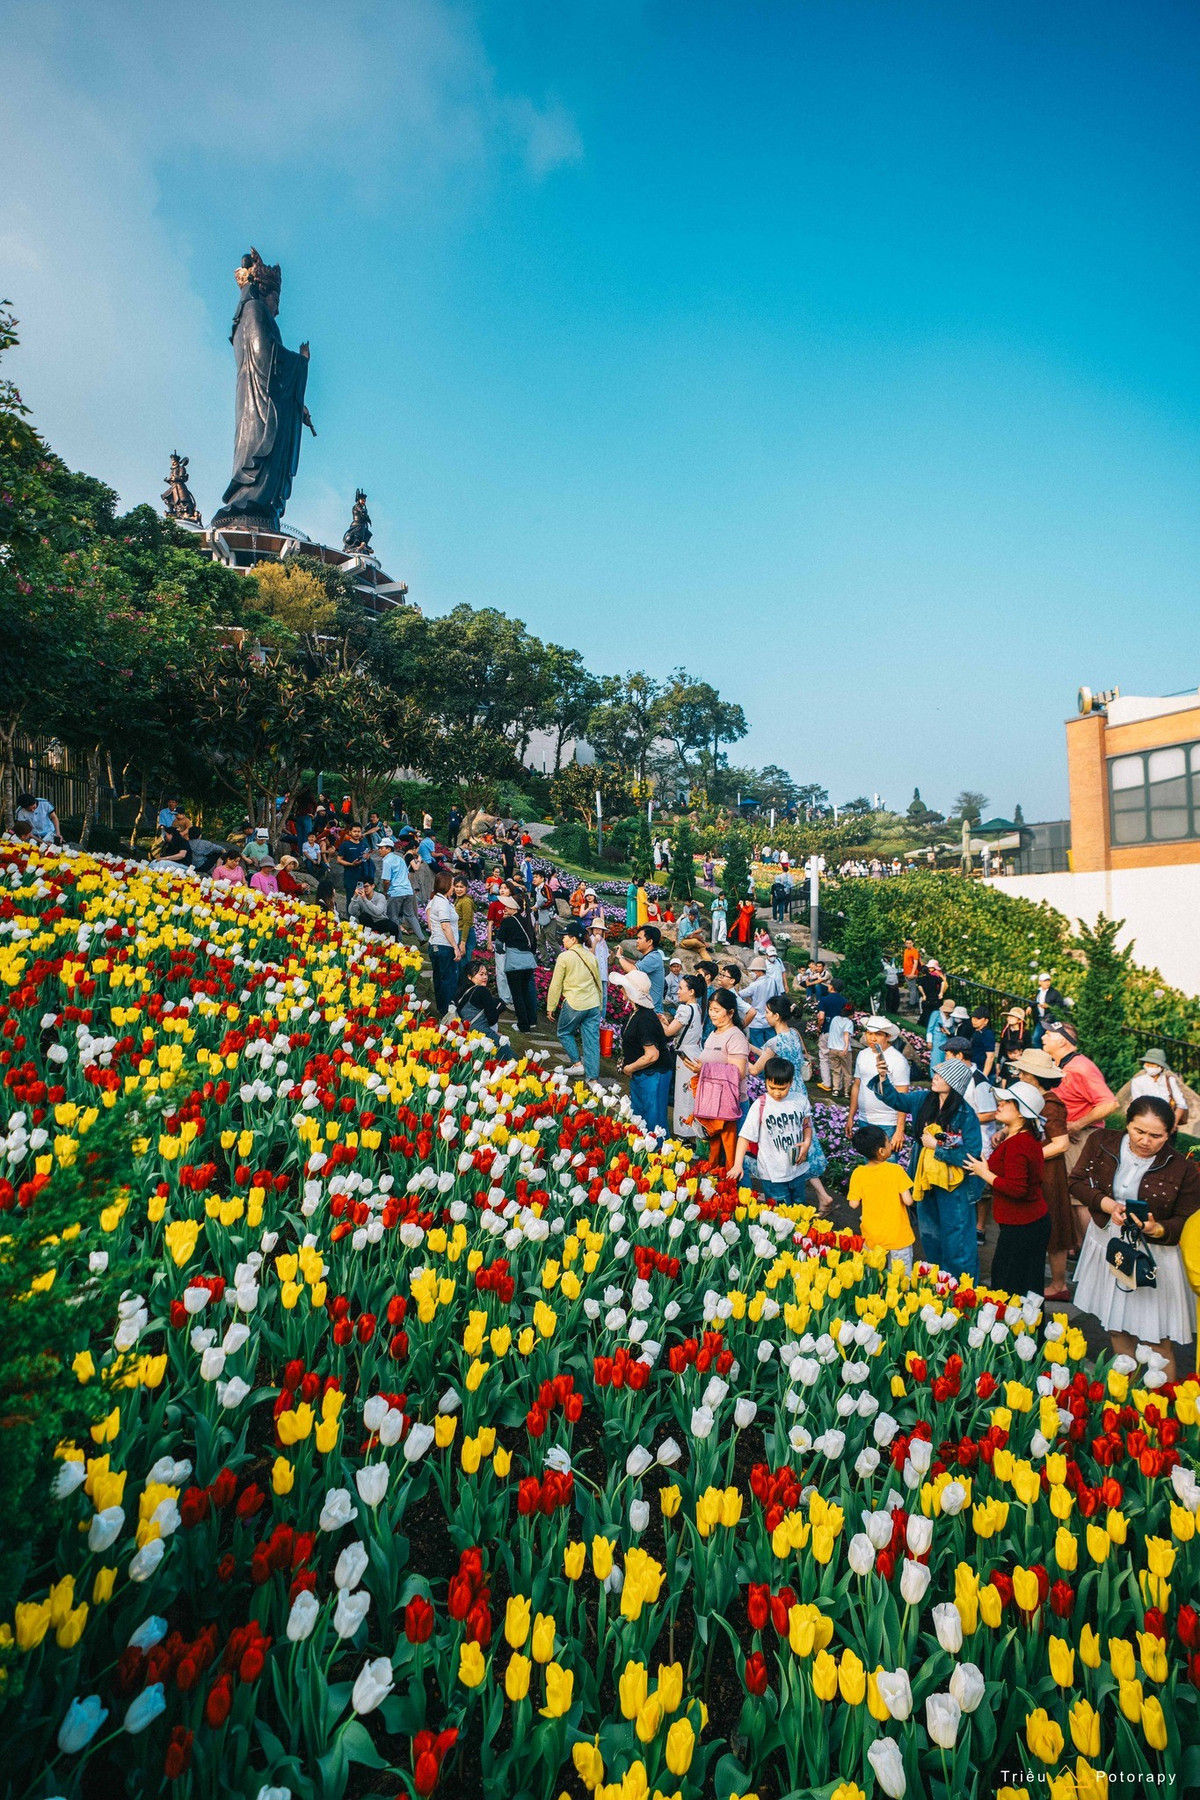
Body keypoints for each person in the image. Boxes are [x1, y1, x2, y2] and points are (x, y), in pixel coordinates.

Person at [1070, 1095, 1200, 1381]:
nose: (1145, 1141)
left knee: (1155, 1338)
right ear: (1127, 1123)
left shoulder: (1183, 1168)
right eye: (1138, 1131)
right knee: (1116, 1327)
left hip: (1153, 1256)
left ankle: (1162, 1401)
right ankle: (1126, 1395)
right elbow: (1076, 1182)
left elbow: (1187, 1219)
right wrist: (1106, 1204)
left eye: (1156, 1136)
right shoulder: (1101, 1142)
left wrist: (1158, 1229)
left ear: (1169, 1133)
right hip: (1109, 1244)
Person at [869, 1052, 983, 1279]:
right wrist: (883, 1077)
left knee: (958, 1242)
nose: (935, 1077)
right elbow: (896, 1100)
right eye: (936, 1073)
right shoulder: (923, 1099)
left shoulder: (966, 1114)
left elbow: (971, 1155)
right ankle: (937, 1286)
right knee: (931, 1237)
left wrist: (937, 1148)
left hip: (955, 1186)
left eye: (941, 1075)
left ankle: (962, 1291)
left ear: (953, 1083)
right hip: (924, 1179)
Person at [964, 1081, 1049, 1298]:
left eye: (1008, 1102)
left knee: (1011, 1287)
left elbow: (1017, 1188)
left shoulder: (1019, 1143)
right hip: (1024, 1222)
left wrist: (984, 1173)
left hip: (1023, 1225)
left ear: (1022, 1113)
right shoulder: (1017, 1137)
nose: (999, 1104)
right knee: (1023, 1286)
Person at [1008, 1048, 1072, 1300]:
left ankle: (1058, 1284)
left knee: (1054, 1224)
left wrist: (1029, 1157)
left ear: (1035, 1077)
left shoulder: (1051, 1105)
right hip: (1040, 1170)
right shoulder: (1037, 1101)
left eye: (1024, 1073)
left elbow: (1061, 1143)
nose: (1020, 1076)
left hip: (1049, 1173)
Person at [1041, 1022, 1117, 1200]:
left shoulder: (1081, 1067)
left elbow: (1110, 1104)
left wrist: (1077, 1125)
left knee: (1078, 1196)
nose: (1043, 1037)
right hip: (1064, 1136)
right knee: (1063, 1195)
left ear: (1062, 1041)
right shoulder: (1060, 1065)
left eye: (1048, 1034)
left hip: (1080, 1139)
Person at [730, 1057, 814, 1202]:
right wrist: (738, 1164)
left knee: (800, 1210)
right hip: (772, 1175)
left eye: (782, 1089)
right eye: (772, 1087)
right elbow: (744, 1137)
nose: (777, 1093)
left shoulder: (799, 1100)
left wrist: (807, 1143)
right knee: (778, 1212)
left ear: (790, 1082)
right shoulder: (760, 1105)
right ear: (766, 1081)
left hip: (797, 1170)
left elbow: (806, 1125)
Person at [694, 988, 751, 1166]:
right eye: (710, 1009)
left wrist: (705, 1069)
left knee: (734, 1158)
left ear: (731, 1012)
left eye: (717, 1010)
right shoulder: (714, 1033)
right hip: (714, 1102)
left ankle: (740, 1184)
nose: (712, 1014)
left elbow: (738, 1072)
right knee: (718, 1155)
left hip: (732, 1104)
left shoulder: (735, 1037)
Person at [847, 1125, 916, 1273]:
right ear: (881, 1151)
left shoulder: (858, 1173)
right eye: (888, 1142)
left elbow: (853, 1204)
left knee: (872, 1275)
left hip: (872, 1237)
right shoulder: (896, 1170)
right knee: (900, 1278)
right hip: (898, 1236)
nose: (891, 1144)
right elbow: (908, 1201)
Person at [612, 968, 671, 1133]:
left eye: (623, 987)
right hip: (643, 1073)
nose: (620, 989)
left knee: (652, 1119)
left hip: (653, 1073)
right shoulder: (637, 1013)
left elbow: (652, 1055)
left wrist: (630, 1068)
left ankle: (656, 1147)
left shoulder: (644, 1018)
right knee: (641, 1116)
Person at [846, 1017, 911, 1160]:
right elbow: (857, 1086)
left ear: (888, 1036)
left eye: (878, 1034)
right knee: (868, 1164)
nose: (872, 1038)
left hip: (887, 1123)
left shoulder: (897, 1060)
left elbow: (903, 1097)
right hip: (864, 1120)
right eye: (869, 1033)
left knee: (887, 1166)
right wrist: (851, 1117)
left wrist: (900, 1130)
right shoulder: (863, 1055)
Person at [546, 919, 603, 1079]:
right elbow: (598, 982)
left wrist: (551, 1007)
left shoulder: (565, 957)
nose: (562, 939)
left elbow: (556, 984)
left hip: (574, 1003)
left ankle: (577, 1065)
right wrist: (600, 1005)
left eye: (565, 936)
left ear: (573, 939)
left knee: (564, 1032)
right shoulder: (591, 956)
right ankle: (592, 1078)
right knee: (592, 1042)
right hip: (593, 1003)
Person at [664, 972, 707, 1139]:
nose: (678, 991)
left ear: (691, 991)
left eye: (681, 988)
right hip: (695, 1053)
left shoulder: (684, 1009)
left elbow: (669, 1032)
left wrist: (659, 1021)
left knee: (684, 1097)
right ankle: (693, 1133)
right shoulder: (698, 1008)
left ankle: (684, 1134)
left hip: (685, 1057)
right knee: (690, 1095)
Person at [494, 895, 539, 1033]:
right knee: (525, 992)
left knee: (517, 994)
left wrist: (501, 951)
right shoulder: (527, 920)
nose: (505, 908)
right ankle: (530, 1020)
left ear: (514, 908)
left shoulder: (508, 922)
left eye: (508, 906)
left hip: (514, 962)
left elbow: (499, 943)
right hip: (528, 962)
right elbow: (534, 943)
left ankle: (523, 1025)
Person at [426, 870, 463, 1017]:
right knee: (449, 980)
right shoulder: (441, 903)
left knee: (440, 979)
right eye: (452, 884)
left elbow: (431, 923)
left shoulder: (436, 901)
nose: (454, 887)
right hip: (444, 945)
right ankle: (448, 1012)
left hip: (436, 944)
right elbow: (445, 926)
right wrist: (455, 947)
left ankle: (443, 1010)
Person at [1130, 1050, 1189, 1133]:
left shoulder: (1170, 1081)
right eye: (1148, 1063)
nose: (1150, 1066)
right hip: (1146, 1123)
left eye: (1153, 1064)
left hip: (1166, 1123)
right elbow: (1138, 1104)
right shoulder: (1138, 1082)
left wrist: (1173, 1124)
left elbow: (1181, 1104)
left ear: (1161, 1067)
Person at [379, 839, 425, 941]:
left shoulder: (387, 861)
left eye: (381, 848)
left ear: (388, 849)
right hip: (408, 890)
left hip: (396, 892)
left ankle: (398, 940)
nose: (379, 850)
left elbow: (386, 881)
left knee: (393, 917)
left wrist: (385, 892)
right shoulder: (400, 858)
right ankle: (422, 938)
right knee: (410, 915)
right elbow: (407, 875)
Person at [619, 926, 665, 1013]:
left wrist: (619, 957)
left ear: (650, 941)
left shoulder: (653, 958)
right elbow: (635, 964)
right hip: (647, 1009)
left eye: (639, 938)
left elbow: (633, 970)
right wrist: (623, 957)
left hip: (652, 1011)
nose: (637, 941)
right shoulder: (650, 956)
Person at [457, 961, 503, 1048]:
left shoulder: (461, 991)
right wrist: (499, 1007)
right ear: (469, 976)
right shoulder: (482, 991)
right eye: (481, 974)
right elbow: (492, 1020)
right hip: (481, 1034)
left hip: (463, 1033)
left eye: (486, 974)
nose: (485, 977)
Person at [815, 978, 848, 1089]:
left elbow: (821, 1017)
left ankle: (827, 1083)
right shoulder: (844, 1001)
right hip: (840, 1034)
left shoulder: (824, 1000)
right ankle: (838, 1085)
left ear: (831, 987)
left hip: (827, 1031)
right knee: (839, 1059)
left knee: (824, 1056)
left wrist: (818, 1028)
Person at [1029, 972, 1067, 1046]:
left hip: (1050, 1019)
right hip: (1041, 1019)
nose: (1047, 983)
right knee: (1036, 1039)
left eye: (1048, 981)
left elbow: (1060, 1004)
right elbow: (1034, 1001)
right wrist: (1030, 1006)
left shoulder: (1055, 993)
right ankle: (1040, 1052)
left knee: (1047, 1040)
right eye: (1045, 981)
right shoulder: (1038, 991)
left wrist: (1049, 1006)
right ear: (1040, 982)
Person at [826, 1005, 855, 1098]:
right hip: (843, 1050)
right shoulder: (849, 1022)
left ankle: (836, 1089)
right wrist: (846, 1047)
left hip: (833, 1048)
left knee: (836, 1070)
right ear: (851, 1014)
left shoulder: (835, 1019)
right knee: (847, 1072)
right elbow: (846, 1034)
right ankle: (846, 1091)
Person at [337, 824, 370, 904]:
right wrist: (351, 864)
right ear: (350, 832)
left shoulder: (364, 845)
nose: (357, 833)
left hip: (363, 875)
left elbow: (367, 858)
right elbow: (339, 860)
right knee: (351, 898)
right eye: (354, 831)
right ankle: (350, 912)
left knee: (363, 898)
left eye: (359, 831)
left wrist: (367, 857)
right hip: (350, 875)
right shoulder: (345, 845)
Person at [998, 1005, 1031, 1077]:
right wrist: (998, 1063)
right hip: (1006, 1060)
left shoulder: (1025, 1033)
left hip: (1020, 1061)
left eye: (1012, 1017)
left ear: (1020, 1020)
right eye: (1009, 1016)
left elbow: (1028, 1049)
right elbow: (1002, 1047)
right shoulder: (1005, 1031)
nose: (1009, 1018)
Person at [926, 995, 957, 1070]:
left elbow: (953, 1030)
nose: (947, 1013)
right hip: (936, 1041)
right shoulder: (936, 1014)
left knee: (945, 1060)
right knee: (936, 1060)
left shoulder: (953, 1017)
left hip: (947, 1040)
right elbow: (930, 1028)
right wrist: (929, 1041)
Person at [967, 1005, 997, 1078]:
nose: (974, 1020)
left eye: (978, 1018)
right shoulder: (976, 1032)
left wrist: (984, 1076)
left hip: (984, 1073)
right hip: (976, 1070)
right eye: (973, 1018)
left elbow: (990, 1057)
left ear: (986, 1021)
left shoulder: (987, 1034)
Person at [452, 875, 477, 962]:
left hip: (464, 933)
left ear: (466, 888)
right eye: (456, 886)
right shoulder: (459, 899)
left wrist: (463, 942)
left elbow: (467, 923)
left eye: (461, 887)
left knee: (464, 963)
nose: (458, 889)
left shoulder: (466, 901)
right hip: (459, 932)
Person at [901, 939, 921, 1012]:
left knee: (912, 989)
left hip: (912, 973)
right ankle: (916, 1002)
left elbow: (915, 963)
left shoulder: (914, 951)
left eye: (910, 943)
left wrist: (912, 973)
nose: (908, 944)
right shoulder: (906, 950)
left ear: (913, 943)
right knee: (912, 988)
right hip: (906, 973)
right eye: (907, 943)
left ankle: (912, 1004)